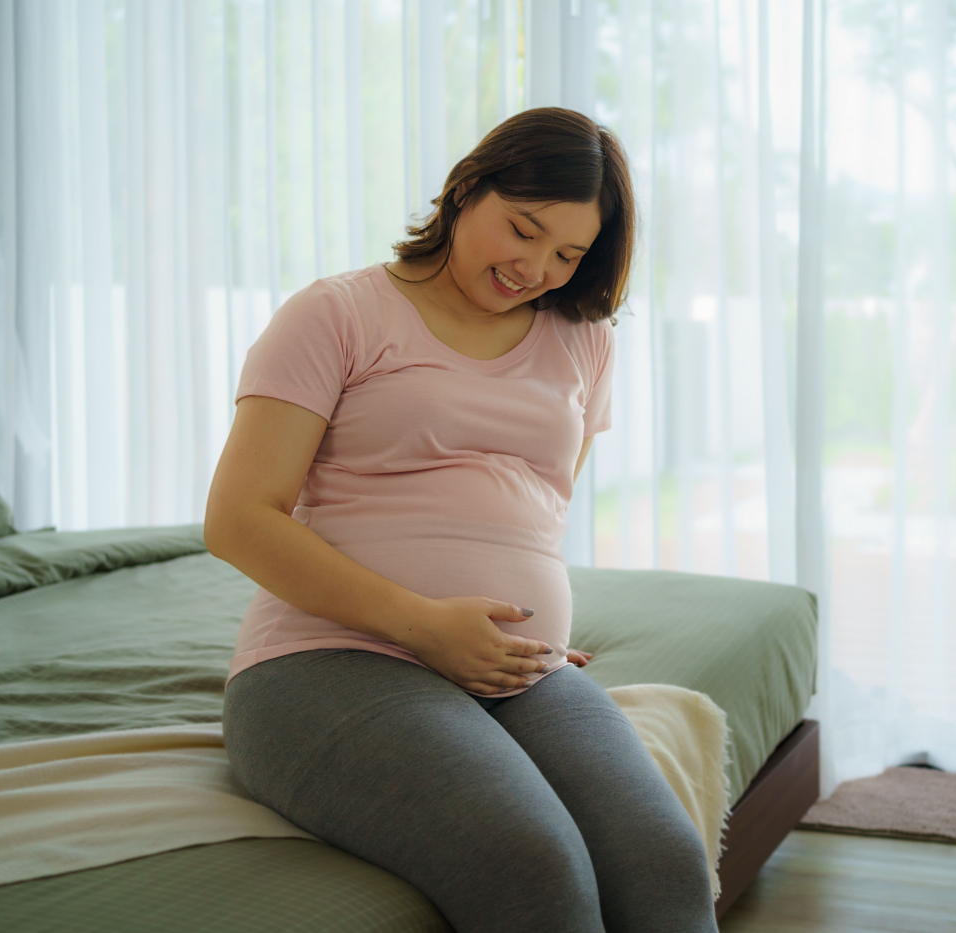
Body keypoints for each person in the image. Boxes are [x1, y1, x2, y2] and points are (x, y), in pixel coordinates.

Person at [208, 107, 718, 933]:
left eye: (568, 254)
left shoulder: (582, 340)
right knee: (533, 863)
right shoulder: (336, 313)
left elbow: (537, 510)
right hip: (326, 660)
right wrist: (425, 621)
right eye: (522, 229)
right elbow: (236, 519)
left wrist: (519, 615)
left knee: (663, 858)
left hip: (513, 666)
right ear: (466, 187)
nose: (535, 267)